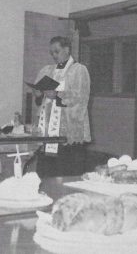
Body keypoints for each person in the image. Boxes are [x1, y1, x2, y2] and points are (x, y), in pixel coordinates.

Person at [33, 36, 91, 177]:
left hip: (68, 128)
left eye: (56, 51)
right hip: (48, 128)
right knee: (46, 169)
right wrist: (39, 93)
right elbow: (38, 99)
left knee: (66, 169)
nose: (54, 55)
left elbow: (81, 98)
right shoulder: (47, 70)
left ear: (67, 50)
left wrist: (58, 95)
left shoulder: (79, 70)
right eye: (51, 53)